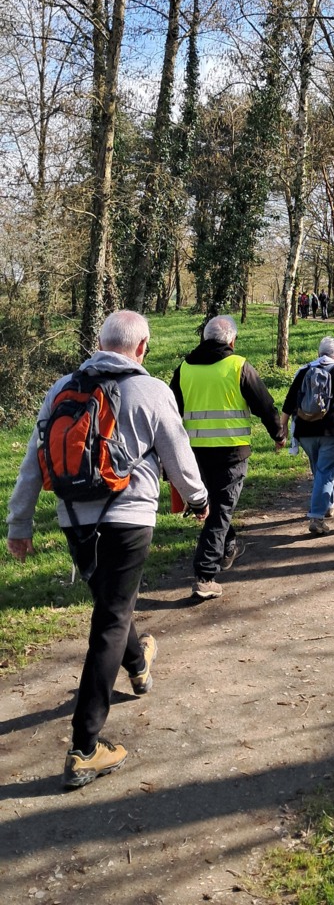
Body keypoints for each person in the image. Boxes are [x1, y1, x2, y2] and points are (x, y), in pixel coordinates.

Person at [5, 310, 209, 790]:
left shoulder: (62, 388)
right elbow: (178, 453)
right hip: (129, 518)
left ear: (100, 343)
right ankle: (85, 747)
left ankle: (137, 665)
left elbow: (33, 459)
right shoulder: (151, 390)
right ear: (142, 347)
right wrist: (198, 499)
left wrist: (20, 522)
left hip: (74, 521)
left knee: (112, 604)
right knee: (112, 617)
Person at [170, 314, 285, 600]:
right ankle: (205, 575)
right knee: (220, 510)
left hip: (194, 453)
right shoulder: (238, 366)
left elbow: (170, 412)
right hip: (231, 452)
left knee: (217, 508)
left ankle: (228, 543)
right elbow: (264, 404)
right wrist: (279, 434)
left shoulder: (184, 368)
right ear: (232, 340)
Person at [281, 337, 334, 536]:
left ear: (319, 353)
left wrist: (282, 426)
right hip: (332, 432)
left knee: (319, 470)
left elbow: (289, 400)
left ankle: (328, 503)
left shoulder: (304, 370)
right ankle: (317, 517)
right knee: (325, 471)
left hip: (305, 431)